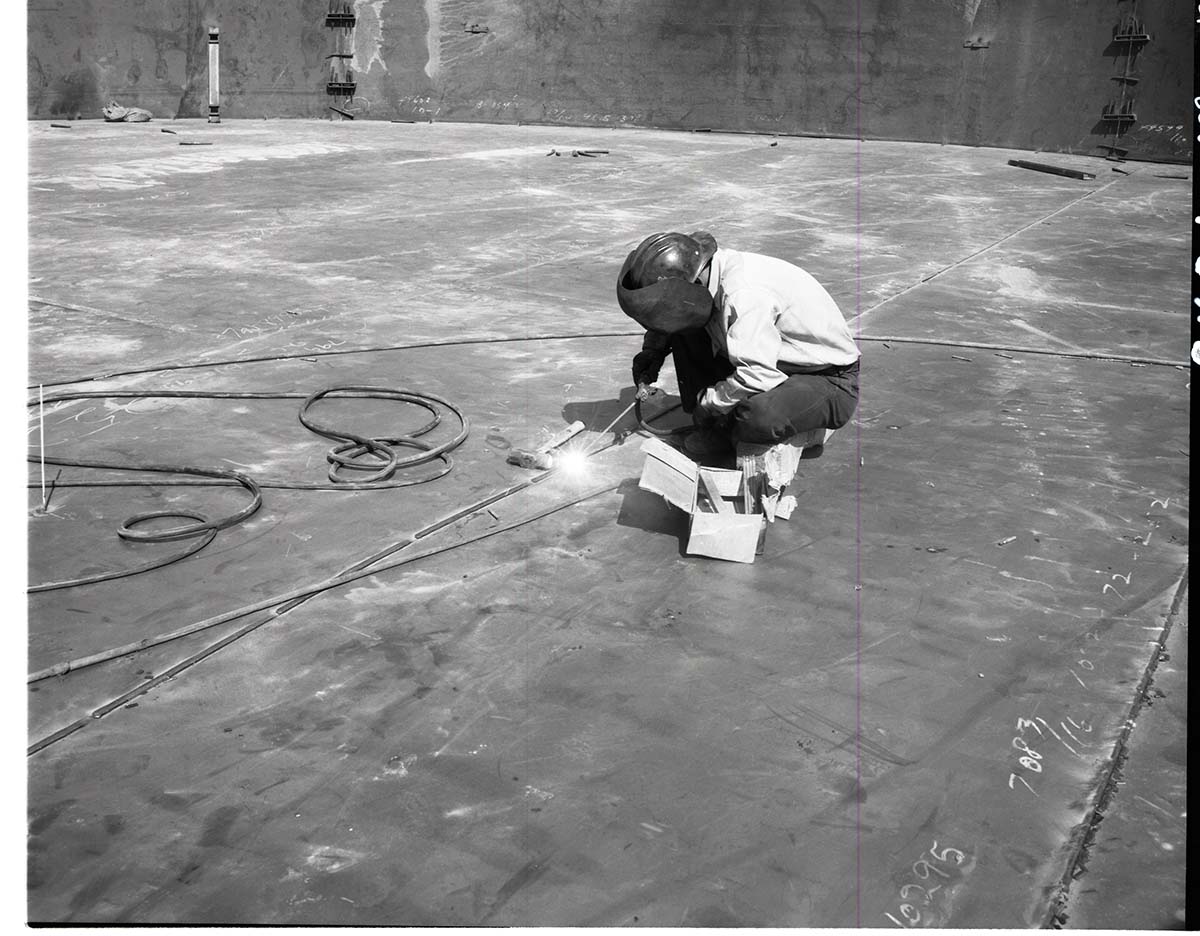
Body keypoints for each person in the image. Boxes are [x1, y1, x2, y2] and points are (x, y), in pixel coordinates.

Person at [616, 231, 860, 456]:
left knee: (757, 418)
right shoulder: (700, 269)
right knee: (685, 329)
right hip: (773, 358)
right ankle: (724, 424)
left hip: (828, 379)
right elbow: (672, 316)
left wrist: (709, 403)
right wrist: (653, 352)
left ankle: (800, 429)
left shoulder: (743, 296)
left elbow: (759, 375)